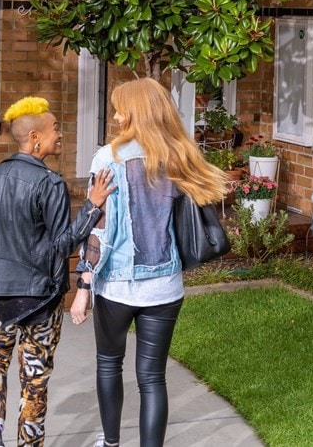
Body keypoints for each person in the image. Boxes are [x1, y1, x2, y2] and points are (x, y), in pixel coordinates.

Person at [0, 96, 115, 447]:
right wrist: (92, 207)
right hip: (39, 303)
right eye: (54, 130)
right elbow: (63, 245)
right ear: (35, 137)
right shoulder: (50, 184)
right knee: (34, 381)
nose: (60, 134)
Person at [69, 78, 229, 447]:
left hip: (117, 286)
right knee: (153, 378)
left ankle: (110, 444)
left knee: (109, 364)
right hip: (165, 286)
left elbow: (99, 229)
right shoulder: (179, 155)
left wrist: (84, 285)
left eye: (119, 107)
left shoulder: (107, 158)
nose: (115, 114)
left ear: (133, 112)